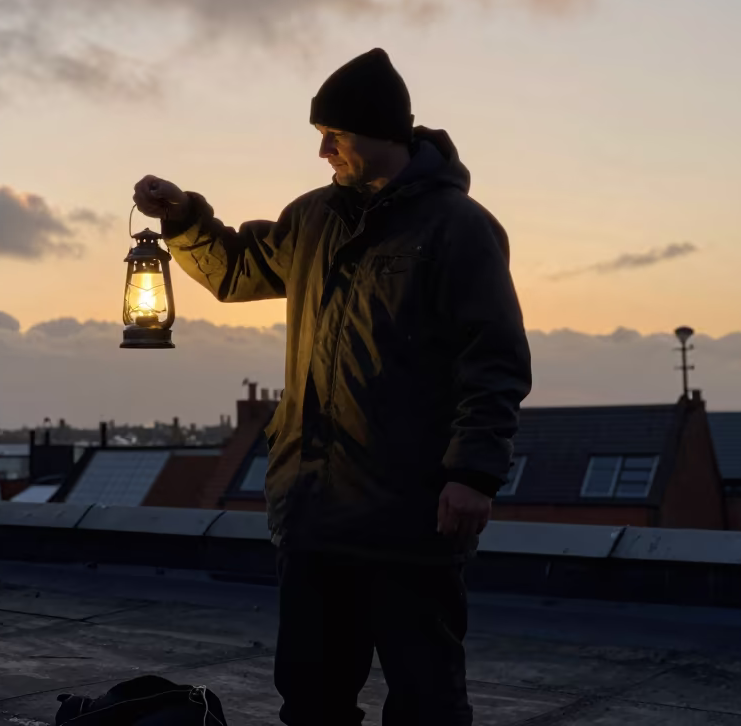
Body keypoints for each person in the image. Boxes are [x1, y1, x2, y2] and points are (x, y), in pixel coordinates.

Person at [132, 48, 532, 725]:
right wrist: (184, 220)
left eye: (334, 137)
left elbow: (493, 358)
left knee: (427, 703)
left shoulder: (459, 228)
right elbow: (237, 271)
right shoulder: (312, 217)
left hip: (412, 516)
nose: (323, 152)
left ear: (382, 133)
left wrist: (473, 474)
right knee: (312, 700)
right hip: (314, 513)